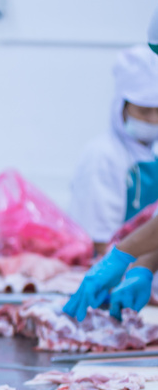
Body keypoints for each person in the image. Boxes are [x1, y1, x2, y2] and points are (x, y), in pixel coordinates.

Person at [68, 45, 158, 256]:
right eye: (144, 111)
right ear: (122, 107)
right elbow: (99, 242)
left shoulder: (154, 152)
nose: (153, 120)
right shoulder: (103, 156)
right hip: (118, 266)